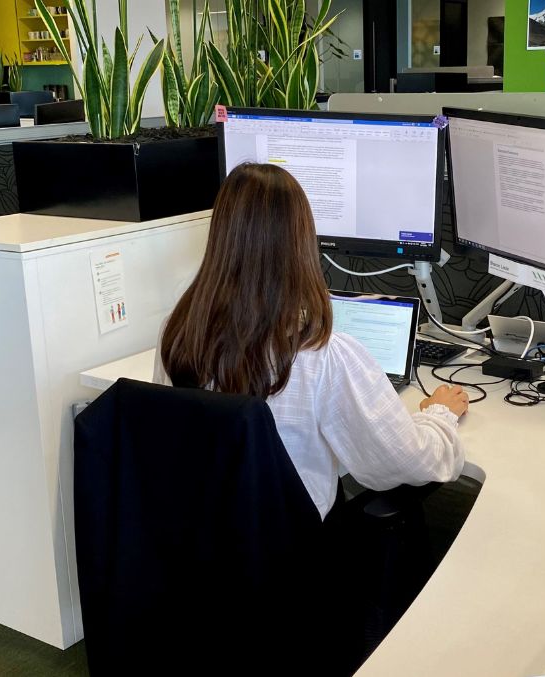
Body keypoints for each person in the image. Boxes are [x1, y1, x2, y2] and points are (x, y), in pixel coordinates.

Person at [156, 162, 467, 518]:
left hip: (198, 544)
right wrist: (438, 415)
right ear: (301, 244)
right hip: (289, 554)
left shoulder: (178, 333)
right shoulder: (322, 354)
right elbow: (402, 464)